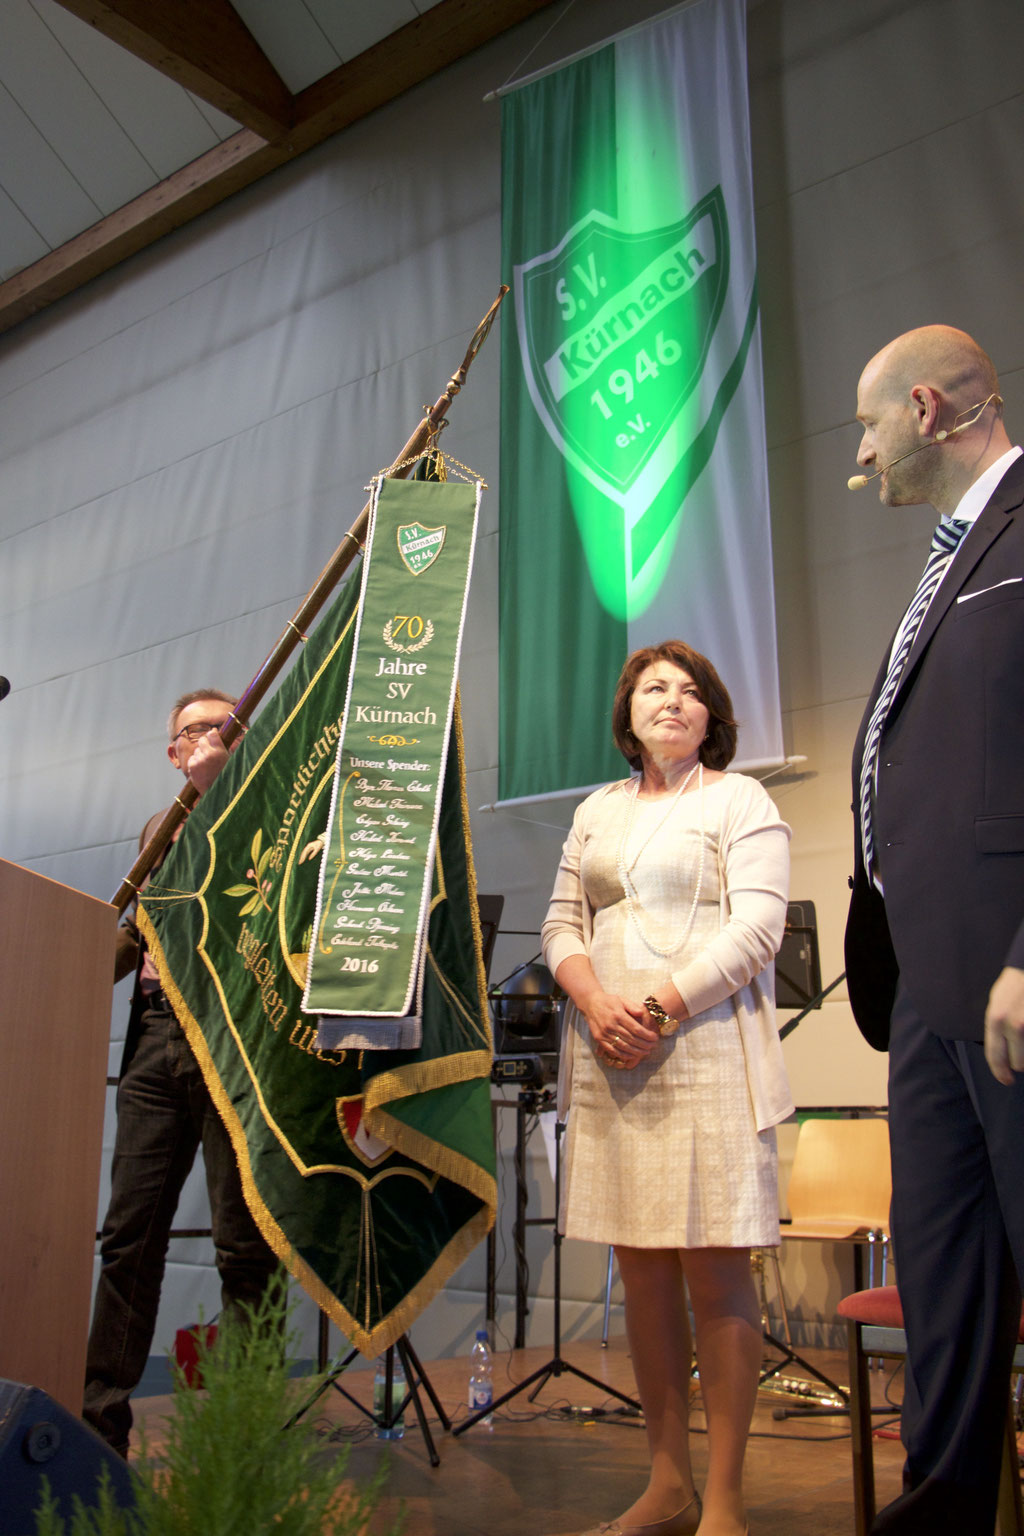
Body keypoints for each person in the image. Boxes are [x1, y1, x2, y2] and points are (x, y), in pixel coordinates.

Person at [542, 643, 792, 1536]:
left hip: (707, 1053)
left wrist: (652, 1004)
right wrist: (597, 1001)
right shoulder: (595, 810)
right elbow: (561, 922)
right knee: (641, 1272)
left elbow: (759, 926)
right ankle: (666, 1481)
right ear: (629, 713)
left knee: (716, 1268)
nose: (672, 702)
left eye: (690, 692)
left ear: (711, 715)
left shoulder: (740, 799)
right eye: (655, 689)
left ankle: (724, 1498)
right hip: (611, 1056)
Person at [844, 325, 1024, 1534]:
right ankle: (944, 1502)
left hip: (1005, 968)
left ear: (926, 405)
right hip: (920, 976)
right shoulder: (948, 551)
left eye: (867, 427)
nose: (859, 453)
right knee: (945, 1266)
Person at [83, 689, 278, 1456]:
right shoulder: (155, 832)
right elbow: (141, 933)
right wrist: (70, 956)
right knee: (129, 1240)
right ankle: (99, 1433)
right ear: (172, 751)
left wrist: (218, 790)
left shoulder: (272, 814)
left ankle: (246, 1438)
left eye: (225, 728)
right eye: (195, 731)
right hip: (157, 1041)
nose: (208, 739)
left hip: (232, 1037)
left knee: (244, 1246)